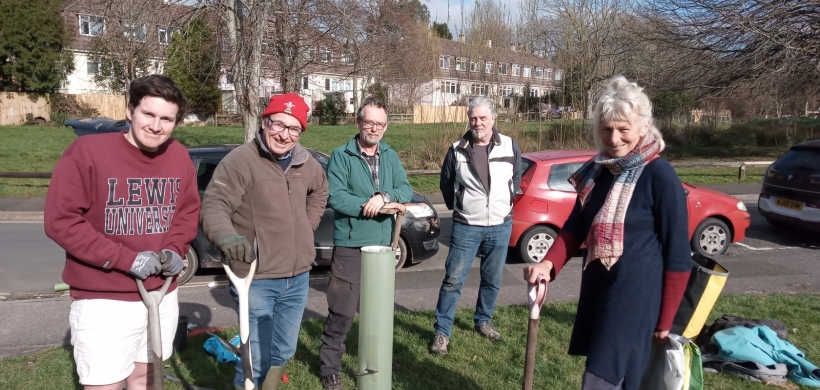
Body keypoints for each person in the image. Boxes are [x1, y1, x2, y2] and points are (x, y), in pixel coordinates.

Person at [523, 76, 692, 390]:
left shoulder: (659, 174)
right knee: (617, 376)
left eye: (623, 129)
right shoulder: (600, 171)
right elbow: (575, 226)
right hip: (601, 290)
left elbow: (679, 254)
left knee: (603, 377)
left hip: (636, 298)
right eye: (606, 129)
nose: (614, 139)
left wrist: (665, 320)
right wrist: (548, 264)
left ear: (643, 127)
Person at [44, 74, 200, 390]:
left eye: (167, 119)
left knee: (146, 377)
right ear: (130, 110)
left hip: (160, 295)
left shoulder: (179, 156)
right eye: (149, 114)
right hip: (103, 300)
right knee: (105, 384)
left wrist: (175, 247)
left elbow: (186, 214)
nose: (157, 126)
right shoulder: (87, 152)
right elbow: (61, 221)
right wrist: (124, 259)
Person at [200, 93, 328, 390]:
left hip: (297, 276)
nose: (284, 135)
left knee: (284, 349)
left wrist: (306, 228)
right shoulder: (241, 161)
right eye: (278, 125)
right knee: (255, 356)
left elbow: (320, 191)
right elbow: (214, 205)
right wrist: (228, 236)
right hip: (256, 278)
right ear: (264, 121)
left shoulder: (307, 163)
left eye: (293, 128)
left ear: (301, 132)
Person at [318, 97, 412, 390]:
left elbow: (405, 188)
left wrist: (382, 197)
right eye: (368, 122)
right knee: (343, 310)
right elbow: (336, 197)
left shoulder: (391, 156)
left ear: (385, 127)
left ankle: (377, 359)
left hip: (384, 246)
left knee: (378, 310)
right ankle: (330, 368)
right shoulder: (341, 155)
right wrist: (366, 205)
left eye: (379, 124)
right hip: (350, 246)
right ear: (358, 122)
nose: (374, 128)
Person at [430, 96, 522, 356]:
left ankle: (483, 320)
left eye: (482, 117)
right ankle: (442, 331)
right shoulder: (457, 149)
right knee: (453, 280)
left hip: (500, 226)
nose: (477, 122)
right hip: (466, 226)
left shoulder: (510, 146)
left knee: (492, 279)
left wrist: (505, 203)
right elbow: (446, 183)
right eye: (473, 118)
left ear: (493, 119)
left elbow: (516, 177)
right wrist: (460, 205)